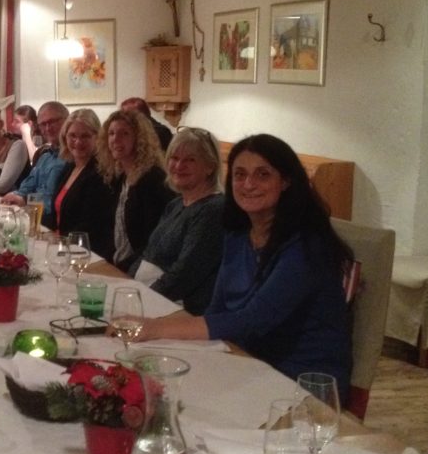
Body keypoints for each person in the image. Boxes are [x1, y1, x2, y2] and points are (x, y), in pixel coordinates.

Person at [132, 134, 354, 400]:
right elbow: (218, 309)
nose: (248, 184)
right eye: (239, 174)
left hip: (302, 381)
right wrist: (151, 326)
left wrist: (154, 328)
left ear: (285, 181)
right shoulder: (238, 235)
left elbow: (253, 321)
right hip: (246, 359)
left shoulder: (306, 245)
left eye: (262, 175)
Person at [131, 127, 225, 314]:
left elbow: (185, 274)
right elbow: (148, 253)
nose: (179, 166)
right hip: (150, 296)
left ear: (210, 167)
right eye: (174, 158)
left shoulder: (214, 210)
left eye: (190, 160)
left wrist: (141, 301)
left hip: (178, 309)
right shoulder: (175, 204)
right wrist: (127, 286)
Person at [98, 108, 174, 273]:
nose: (115, 139)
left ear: (139, 139)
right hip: (119, 263)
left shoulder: (152, 179)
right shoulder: (121, 176)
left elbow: (153, 241)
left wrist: (122, 269)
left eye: (124, 134)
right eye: (111, 133)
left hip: (142, 270)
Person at [43, 109, 116, 261]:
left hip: (85, 253)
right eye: (72, 136)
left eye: (85, 136)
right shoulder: (69, 167)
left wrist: (57, 240)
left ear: (98, 137)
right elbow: (57, 213)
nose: (78, 142)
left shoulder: (100, 173)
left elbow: (90, 224)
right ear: (65, 137)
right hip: (62, 246)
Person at [1, 101, 69, 224]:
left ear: (67, 121)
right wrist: (14, 196)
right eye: (43, 124)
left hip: (50, 225)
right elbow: (25, 189)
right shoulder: (45, 157)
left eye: (52, 121)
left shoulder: (72, 159)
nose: (48, 128)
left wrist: (25, 201)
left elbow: (52, 205)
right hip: (31, 218)